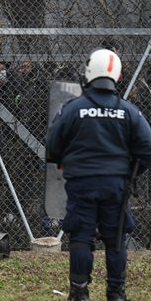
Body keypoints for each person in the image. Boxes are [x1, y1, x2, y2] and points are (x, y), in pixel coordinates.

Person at [46, 49, 151, 301]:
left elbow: (52, 147)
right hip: (116, 184)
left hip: (82, 183)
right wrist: (131, 174)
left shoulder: (74, 109)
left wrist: (66, 161)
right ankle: (116, 292)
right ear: (117, 75)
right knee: (115, 239)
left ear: (89, 72)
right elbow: (147, 149)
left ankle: (79, 291)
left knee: (81, 236)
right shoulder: (128, 111)